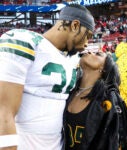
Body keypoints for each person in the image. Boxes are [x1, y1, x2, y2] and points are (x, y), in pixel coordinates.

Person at [0, 4, 95, 150]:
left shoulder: (73, 59)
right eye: (87, 36)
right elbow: (4, 110)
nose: (86, 43)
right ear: (75, 25)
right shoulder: (27, 42)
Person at [63, 51, 123, 150]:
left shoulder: (108, 100)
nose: (89, 52)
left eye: (98, 54)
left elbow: (112, 142)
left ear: (103, 69)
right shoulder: (68, 91)